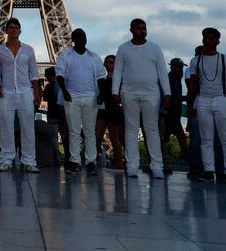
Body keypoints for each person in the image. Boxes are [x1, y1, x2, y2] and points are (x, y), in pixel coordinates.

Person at [112, 18, 171, 179]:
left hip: (151, 93)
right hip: (129, 92)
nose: (142, 31)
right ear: (131, 30)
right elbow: (117, 72)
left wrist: (167, 92)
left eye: (144, 28)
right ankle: (132, 164)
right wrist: (114, 92)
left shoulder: (155, 48)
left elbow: (162, 72)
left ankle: (157, 165)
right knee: (132, 128)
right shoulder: (123, 49)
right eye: (139, 28)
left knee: (151, 129)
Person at [54, 28, 106, 175]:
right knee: (74, 131)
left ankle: (90, 162)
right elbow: (60, 75)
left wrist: (101, 93)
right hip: (72, 97)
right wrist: (64, 92)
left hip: (90, 97)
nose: (83, 38)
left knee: (89, 132)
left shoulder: (94, 57)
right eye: (79, 36)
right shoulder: (66, 56)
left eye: (84, 36)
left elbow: (100, 78)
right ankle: (75, 161)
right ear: (73, 39)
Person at [0, 18, 40, 173]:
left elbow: (34, 74)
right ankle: (6, 159)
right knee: (6, 126)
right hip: (7, 92)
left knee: (28, 127)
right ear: (6, 30)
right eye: (10, 27)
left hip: (25, 91)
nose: (13, 30)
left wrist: (37, 94)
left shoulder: (29, 50)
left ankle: (29, 161)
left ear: (20, 31)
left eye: (16, 27)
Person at [187, 27, 226, 183]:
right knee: (206, 138)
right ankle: (209, 171)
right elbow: (193, 85)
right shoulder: (195, 60)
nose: (208, 41)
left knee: (224, 138)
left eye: (211, 39)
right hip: (202, 99)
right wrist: (191, 105)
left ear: (217, 41)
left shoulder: (224, 59)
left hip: (221, 98)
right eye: (205, 38)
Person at [96, 54, 125, 170]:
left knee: (114, 137)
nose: (108, 64)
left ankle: (119, 162)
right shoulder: (103, 79)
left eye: (111, 62)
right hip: (103, 109)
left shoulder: (119, 79)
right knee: (96, 135)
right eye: (106, 62)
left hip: (114, 110)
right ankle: (97, 158)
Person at [164, 57, 189, 166]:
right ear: (172, 67)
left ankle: (159, 164)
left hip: (173, 114)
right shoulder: (170, 79)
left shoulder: (176, 79)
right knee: (181, 138)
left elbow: (176, 97)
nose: (181, 70)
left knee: (164, 139)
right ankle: (191, 162)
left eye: (182, 67)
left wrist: (184, 98)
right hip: (170, 115)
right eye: (179, 67)